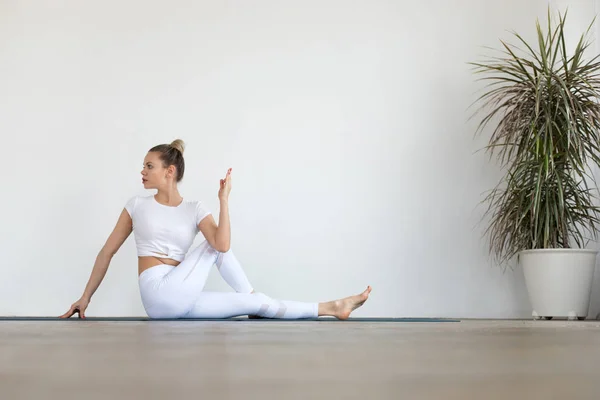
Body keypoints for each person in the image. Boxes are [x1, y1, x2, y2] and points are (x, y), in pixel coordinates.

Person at [60, 139, 372, 320]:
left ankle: (333, 307)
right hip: (157, 292)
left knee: (258, 305)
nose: (142, 172)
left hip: (182, 297)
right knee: (216, 247)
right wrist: (85, 297)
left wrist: (223, 200)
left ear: (170, 172)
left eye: (149, 166)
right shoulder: (137, 206)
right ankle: (249, 292)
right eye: (143, 166)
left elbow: (222, 244)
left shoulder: (194, 208)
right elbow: (107, 252)